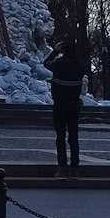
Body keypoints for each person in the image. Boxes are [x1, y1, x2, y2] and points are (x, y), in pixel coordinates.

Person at [44, 37, 88, 179]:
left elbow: (46, 63)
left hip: (60, 106)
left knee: (60, 138)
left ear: (63, 51)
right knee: (74, 137)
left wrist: (55, 52)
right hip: (74, 106)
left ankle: (62, 168)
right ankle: (74, 168)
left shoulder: (59, 64)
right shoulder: (81, 66)